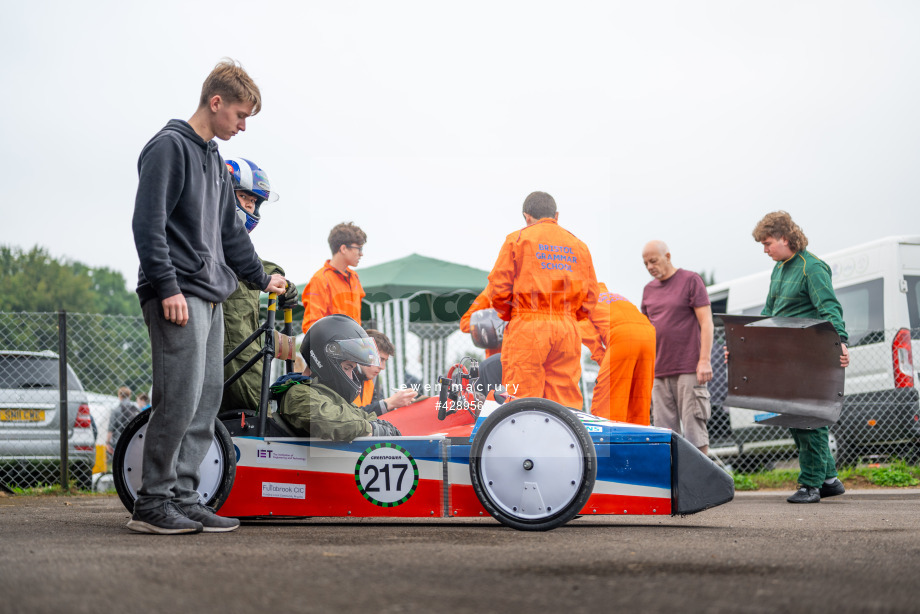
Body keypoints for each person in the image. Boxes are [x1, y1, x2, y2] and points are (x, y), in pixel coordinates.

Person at [130, 59, 287, 535]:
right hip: (177, 293)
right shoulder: (168, 147)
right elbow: (147, 224)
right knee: (177, 397)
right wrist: (167, 287)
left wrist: (263, 279)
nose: (242, 126)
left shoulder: (214, 161)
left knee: (205, 398)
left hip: (211, 295)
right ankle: (152, 502)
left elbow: (231, 233)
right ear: (215, 102)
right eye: (239, 115)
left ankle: (183, 494)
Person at [750, 211, 849, 504]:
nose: (765, 250)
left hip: (811, 356)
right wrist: (749, 344)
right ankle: (829, 480)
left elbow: (830, 308)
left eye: (767, 243)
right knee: (796, 418)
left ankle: (811, 485)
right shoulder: (779, 268)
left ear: (785, 238)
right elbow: (769, 313)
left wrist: (841, 342)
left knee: (809, 419)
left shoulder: (812, 268)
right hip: (786, 357)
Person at [488, 191, 599, 408]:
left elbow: (499, 288)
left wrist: (513, 315)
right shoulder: (579, 246)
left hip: (528, 327)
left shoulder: (517, 240)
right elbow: (591, 295)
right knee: (564, 404)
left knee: (522, 401)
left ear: (526, 217)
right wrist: (569, 316)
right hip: (567, 329)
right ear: (556, 215)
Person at [219, 157, 297, 414]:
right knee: (270, 414)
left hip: (246, 352)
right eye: (245, 198)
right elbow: (247, 263)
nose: (251, 205)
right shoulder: (216, 242)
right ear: (226, 194)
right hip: (230, 354)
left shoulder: (239, 251)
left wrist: (281, 280)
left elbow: (257, 264)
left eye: (255, 201)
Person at [274, 315, 400, 440]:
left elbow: (359, 415)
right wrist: (373, 429)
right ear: (325, 361)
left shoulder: (327, 394)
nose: (351, 377)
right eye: (347, 368)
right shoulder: (297, 394)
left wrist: (381, 425)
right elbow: (329, 422)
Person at [641, 240, 714, 454]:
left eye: (653, 261)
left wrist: (704, 361)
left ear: (668, 256)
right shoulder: (648, 291)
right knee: (664, 433)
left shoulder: (690, 280)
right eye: (645, 264)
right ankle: (672, 485)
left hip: (689, 368)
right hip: (659, 371)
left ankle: (699, 483)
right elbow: (646, 329)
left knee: (694, 429)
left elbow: (706, 322)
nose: (650, 267)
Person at [583, 284, 656, 424]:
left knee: (608, 401)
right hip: (649, 334)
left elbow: (588, 334)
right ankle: (637, 442)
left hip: (622, 336)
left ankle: (608, 442)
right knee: (638, 400)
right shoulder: (613, 296)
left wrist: (603, 359)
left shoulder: (580, 299)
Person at [301, 222, 367, 334]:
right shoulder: (320, 280)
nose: (361, 254)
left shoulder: (354, 278)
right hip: (334, 348)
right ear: (343, 249)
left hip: (354, 346)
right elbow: (311, 326)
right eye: (359, 249)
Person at [355, 329, 418, 415]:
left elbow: (369, 412)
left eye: (385, 361)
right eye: (380, 359)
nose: (383, 367)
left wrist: (394, 404)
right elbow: (349, 417)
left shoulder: (370, 378)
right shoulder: (343, 377)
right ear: (363, 353)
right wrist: (389, 403)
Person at [459, 285, 501, 358]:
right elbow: (465, 323)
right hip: (497, 357)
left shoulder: (525, 290)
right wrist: (491, 325)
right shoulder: (490, 292)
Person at [106, 386, 138, 468]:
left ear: (119, 396)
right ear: (129, 396)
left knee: (119, 464)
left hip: (118, 440)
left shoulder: (115, 410)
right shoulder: (135, 410)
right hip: (133, 440)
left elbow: (111, 428)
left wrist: (108, 443)